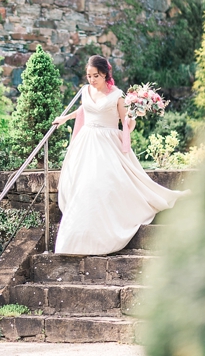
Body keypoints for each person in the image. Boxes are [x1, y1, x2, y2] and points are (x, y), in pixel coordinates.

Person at [51, 55, 183, 256]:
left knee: (101, 185)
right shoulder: (85, 91)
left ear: (104, 74)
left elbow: (125, 122)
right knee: (82, 185)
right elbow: (82, 111)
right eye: (89, 76)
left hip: (107, 142)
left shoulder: (117, 95)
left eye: (96, 75)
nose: (92, 79)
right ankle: (75, 240)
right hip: (86, 142)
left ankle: (100, 239)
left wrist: (134, 115)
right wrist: (64, 118)